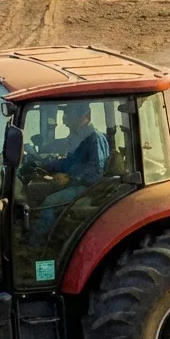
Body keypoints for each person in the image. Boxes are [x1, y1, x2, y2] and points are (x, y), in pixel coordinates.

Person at [26, 102, 109, 241]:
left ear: (85, 116)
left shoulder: (95, 138)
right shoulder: (77, 138)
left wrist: (71, 178)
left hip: (86, 188)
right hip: (72, 183)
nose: (64, 121)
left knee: (50, 202)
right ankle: (27, 230)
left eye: (68, 116)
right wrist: (43, 165)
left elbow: (96, 171)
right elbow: (66, 162)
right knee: (32, 190)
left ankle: (36, 245)